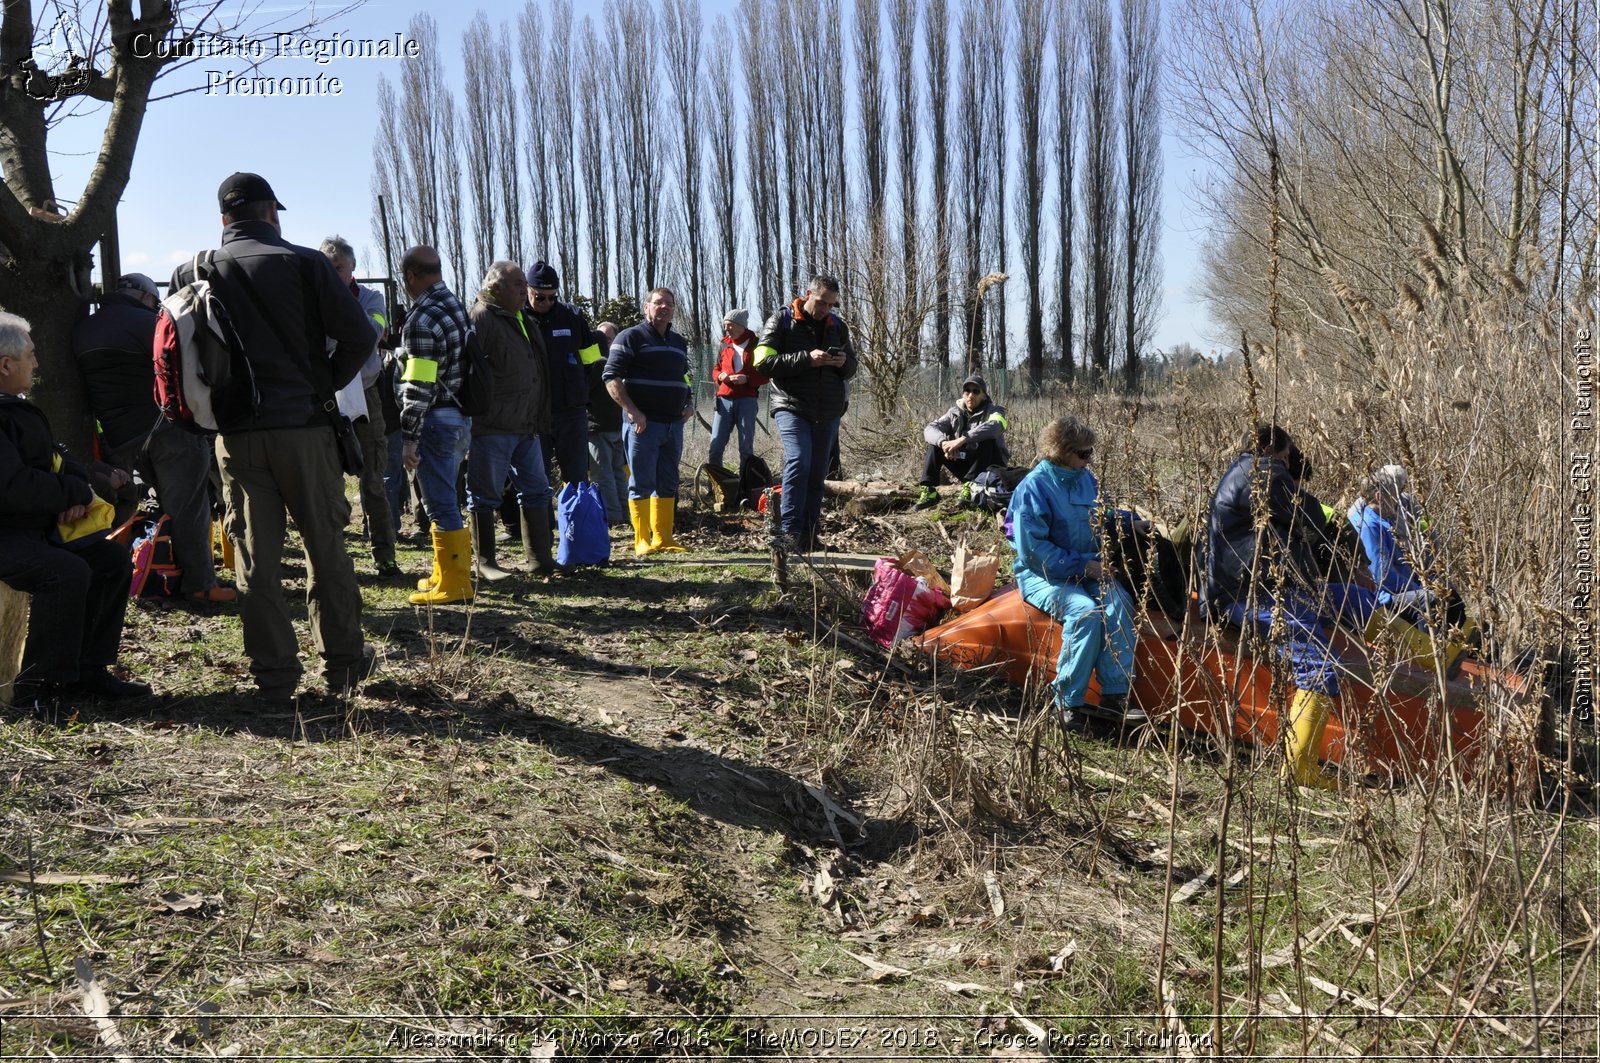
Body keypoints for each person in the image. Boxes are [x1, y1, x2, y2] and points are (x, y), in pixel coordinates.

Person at [168, 173, 375, 705]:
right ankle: (344, 666)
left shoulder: (194, 271)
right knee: (325, 548)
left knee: (254, 558)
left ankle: (276, 676)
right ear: (271, 213)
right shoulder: (306, 264)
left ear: (223, 219)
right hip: (305, 428)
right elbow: (359, 336)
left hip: (235, 437)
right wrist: (321, 383)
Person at [0, 313, 150, 711]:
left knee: (111, 560)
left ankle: (88, 672)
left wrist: (76, 489)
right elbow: (12, 487)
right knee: (65, 573)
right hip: (7, 535)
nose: (36, 364)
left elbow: (57, 462)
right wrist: (69, 492)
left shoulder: (14, 408)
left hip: (31, 528)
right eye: (31, 356)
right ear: (5, 364)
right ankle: (37, 689)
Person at [72, 273, 236, 603]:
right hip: (166, 430)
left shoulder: (83, 328)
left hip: (118, 438)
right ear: (147, 297)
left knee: (135, 508)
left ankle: (142, 572)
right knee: (189, 508)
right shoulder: (150, 321)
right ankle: (201, 584)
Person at [1204, 423, 1343, 789]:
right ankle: (1299, 769)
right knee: (1319, 665)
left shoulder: (1247, 471)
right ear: (1275, 451)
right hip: (1252, 591)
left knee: (1354, 598)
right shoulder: (1265, 472)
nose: (1289, 460)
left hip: (1262, 583)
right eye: (1288, 454)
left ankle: (1438, 656)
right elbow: (1311, 517)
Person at [1009, 415, 1142, 730]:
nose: (1090, 458)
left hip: (1087, 569)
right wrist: (1084, 565)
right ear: (1061, 451)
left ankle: (1115, 695)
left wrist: (1129, 522)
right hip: (1042, 576)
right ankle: (1067, 703)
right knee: (1085, 613)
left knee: (1120, 604)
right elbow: (1033, 552)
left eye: (1091, 452)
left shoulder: (1085, 479)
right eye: (1084, 453)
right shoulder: (1033, 488)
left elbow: (1102, 513)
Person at [752, 274, 858, 552]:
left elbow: (852, 368)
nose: (825, 309)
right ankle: (789, 532)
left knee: (818, 471)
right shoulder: (782, 320)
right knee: (799, 460)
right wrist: (806, 359)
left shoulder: (837, 326)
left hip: (829, 409)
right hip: (792, 405)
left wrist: (842, 362)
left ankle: (810, 535)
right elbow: (761, 362)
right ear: (808, 293)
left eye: (831, 305)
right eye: (821, 302)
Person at [467, 261, 556, 579]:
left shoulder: (521, 318)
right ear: (495, 288)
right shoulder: (482, 318)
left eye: (524, 284)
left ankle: (540, 560)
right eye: (517, 284)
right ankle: (486, 563)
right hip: (493, 426)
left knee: (536, 490)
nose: (524, 290)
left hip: (526, 424)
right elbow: (471, 373)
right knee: (484, 494)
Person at [397, 246, 476, 605]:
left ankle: (456, 582)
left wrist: (409, 437)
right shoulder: (455, 304)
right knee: (447, 496)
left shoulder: (420, 319)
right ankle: (445, 572)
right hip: (460, 415)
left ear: (411, 276)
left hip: (435, 420)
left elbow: (419, 385)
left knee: (440, 501)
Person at [319, 236, 400, 578]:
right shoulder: (313, 302)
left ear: (352, 267)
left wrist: (336, 319)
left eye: (339, 267)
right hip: (326, 399)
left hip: (366, 394)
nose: (334, 272)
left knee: (374, 479)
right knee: (328, 480)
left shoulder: (372, 299)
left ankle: (384, 555)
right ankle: (334, 557)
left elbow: (371, 333)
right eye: (328, 267)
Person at [1348, 464, 1475, 670]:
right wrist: (1419, 588)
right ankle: (1431, 661)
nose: (1400, 500)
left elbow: (1427, 535)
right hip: (1385, 596)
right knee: (1430, 599)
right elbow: (1383, 577)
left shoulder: (1390, 514)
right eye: (1395, 494)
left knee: (1447, 592)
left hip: (1405, 585)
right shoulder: (1368, 525)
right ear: (1380, 496)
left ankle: (1461, 651)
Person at [604, 288, 693, 556]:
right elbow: (611, 377)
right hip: (643, 424)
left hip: (673, 424)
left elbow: (684, 377)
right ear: (646, 307)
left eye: (669, 303)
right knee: (641, 482)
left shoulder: (678, 342)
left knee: (668, 482)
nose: (663, 307)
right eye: (658, 303)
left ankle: (663, 537)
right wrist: (632, 411)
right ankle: (642, 539)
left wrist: (688, 404)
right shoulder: (630, 337)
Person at [913, 373, 1010, 510]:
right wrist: (944, 444)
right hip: (967, 463)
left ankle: (971, 488)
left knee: (987, 440)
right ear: (963, 394)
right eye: (967, 391)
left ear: (984, 395)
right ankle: (929, 490)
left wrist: (961, 440)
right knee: (935, 444)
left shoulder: (995, 411)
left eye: (976, 391)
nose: (971, 395)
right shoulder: (954, 412)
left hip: (992, 467)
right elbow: (930, 429)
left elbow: (995, 426)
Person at [707, 309, 768, 470]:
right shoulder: (725, 347)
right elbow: (716, 369)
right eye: (725, 326)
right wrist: (720, 377)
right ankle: (717, 487)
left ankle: (745, 488)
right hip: (724, 401)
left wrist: (747, 379)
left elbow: (765, 375)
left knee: (746, 449)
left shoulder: (757, 346)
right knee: (715, 446)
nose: (727, 329)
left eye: (730, 325)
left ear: (741, 325)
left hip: (747, 401)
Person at [586, 321, 628, 526]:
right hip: (617, 425)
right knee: (618, 472)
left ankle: (613, 516)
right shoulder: (616, 362)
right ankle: (626, 512)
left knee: (603, 475)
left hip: (597, 427)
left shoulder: (594, 365)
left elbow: (583, 395)